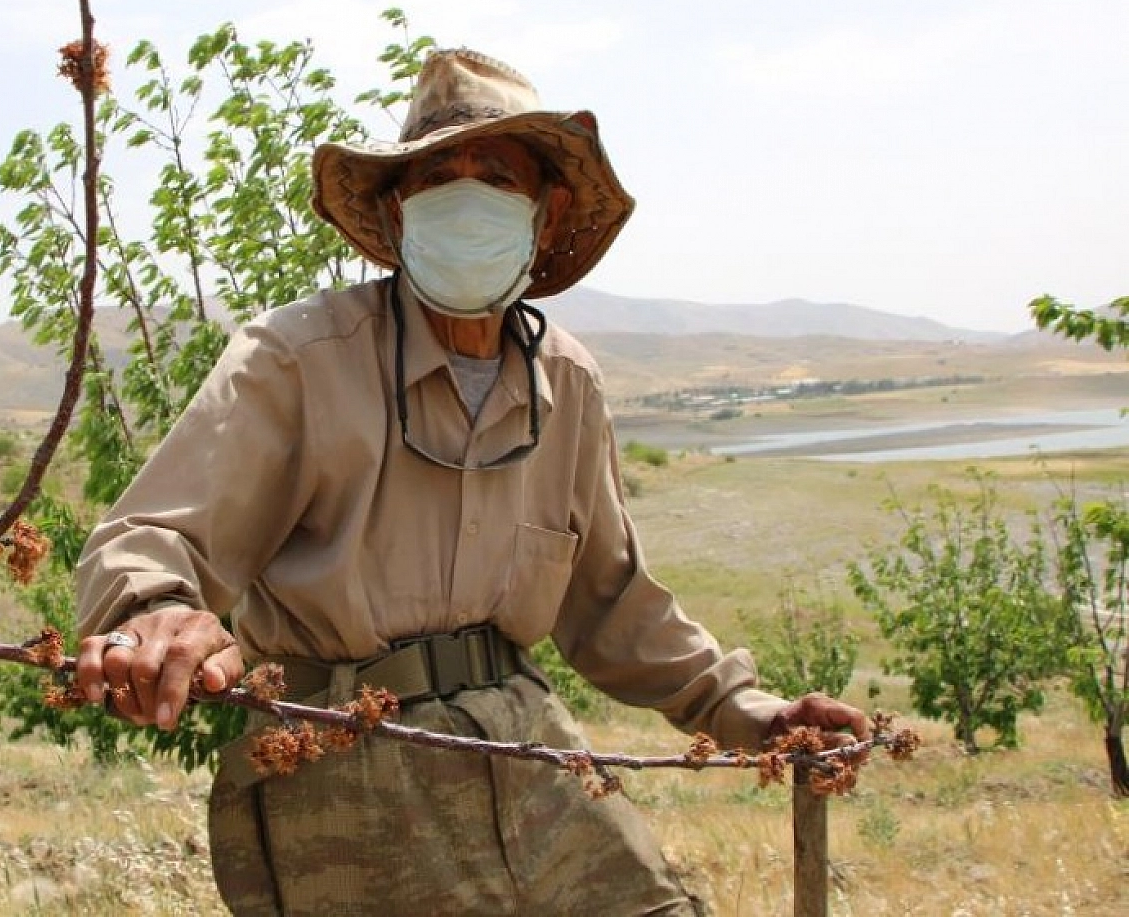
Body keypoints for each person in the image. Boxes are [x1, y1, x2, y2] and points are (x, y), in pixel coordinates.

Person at [72, 48, 866, 915]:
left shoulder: (567, 383)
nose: (463, 192)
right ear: (397, 210)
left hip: (525, 742)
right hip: (348, 754)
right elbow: (155, 534)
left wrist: (746, 709)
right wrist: (153, 610)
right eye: (435, 175)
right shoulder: (299, 358)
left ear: (545, 208)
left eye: (495, 172)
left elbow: (612, 602)